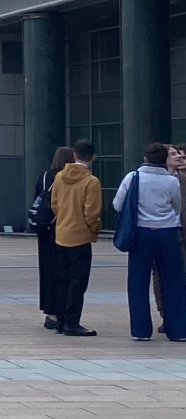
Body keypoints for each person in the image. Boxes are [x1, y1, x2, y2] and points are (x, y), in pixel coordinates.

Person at [115, 143, 185, 342]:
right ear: (164, 160)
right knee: (173, 280)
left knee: (138, 281)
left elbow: (117, 204)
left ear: (145, 158)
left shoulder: (133, 177)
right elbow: (177, 207)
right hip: (167, 232)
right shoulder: (171, 181)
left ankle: (141, 330)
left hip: (141, 233)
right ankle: (178, 330)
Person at [50, 141, 102, 337]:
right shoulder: (91, 181)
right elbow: (91, 212)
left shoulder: (60, 177)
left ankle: (60, 320)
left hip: (61, 234)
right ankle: (72, 322)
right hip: (80, 236)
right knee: (77, 282)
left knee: (61, 280)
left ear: (74, 154)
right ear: (93, 156)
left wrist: (64, 218)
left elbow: (54, 204)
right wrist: (94, 229)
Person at [32, 147, 76, 329]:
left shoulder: (44, 176)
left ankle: (49, 313)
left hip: (44, 227)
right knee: (63, 271)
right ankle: (61, 311)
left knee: (47, 271)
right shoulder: (67, 178)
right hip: (61, 227)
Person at [152, 144, 186, 330]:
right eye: (174, 154)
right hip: (163, 232)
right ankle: (166, 315)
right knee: (161, 275)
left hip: (179, 233)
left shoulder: (182, 179)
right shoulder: (156, 180)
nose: (179, 156)